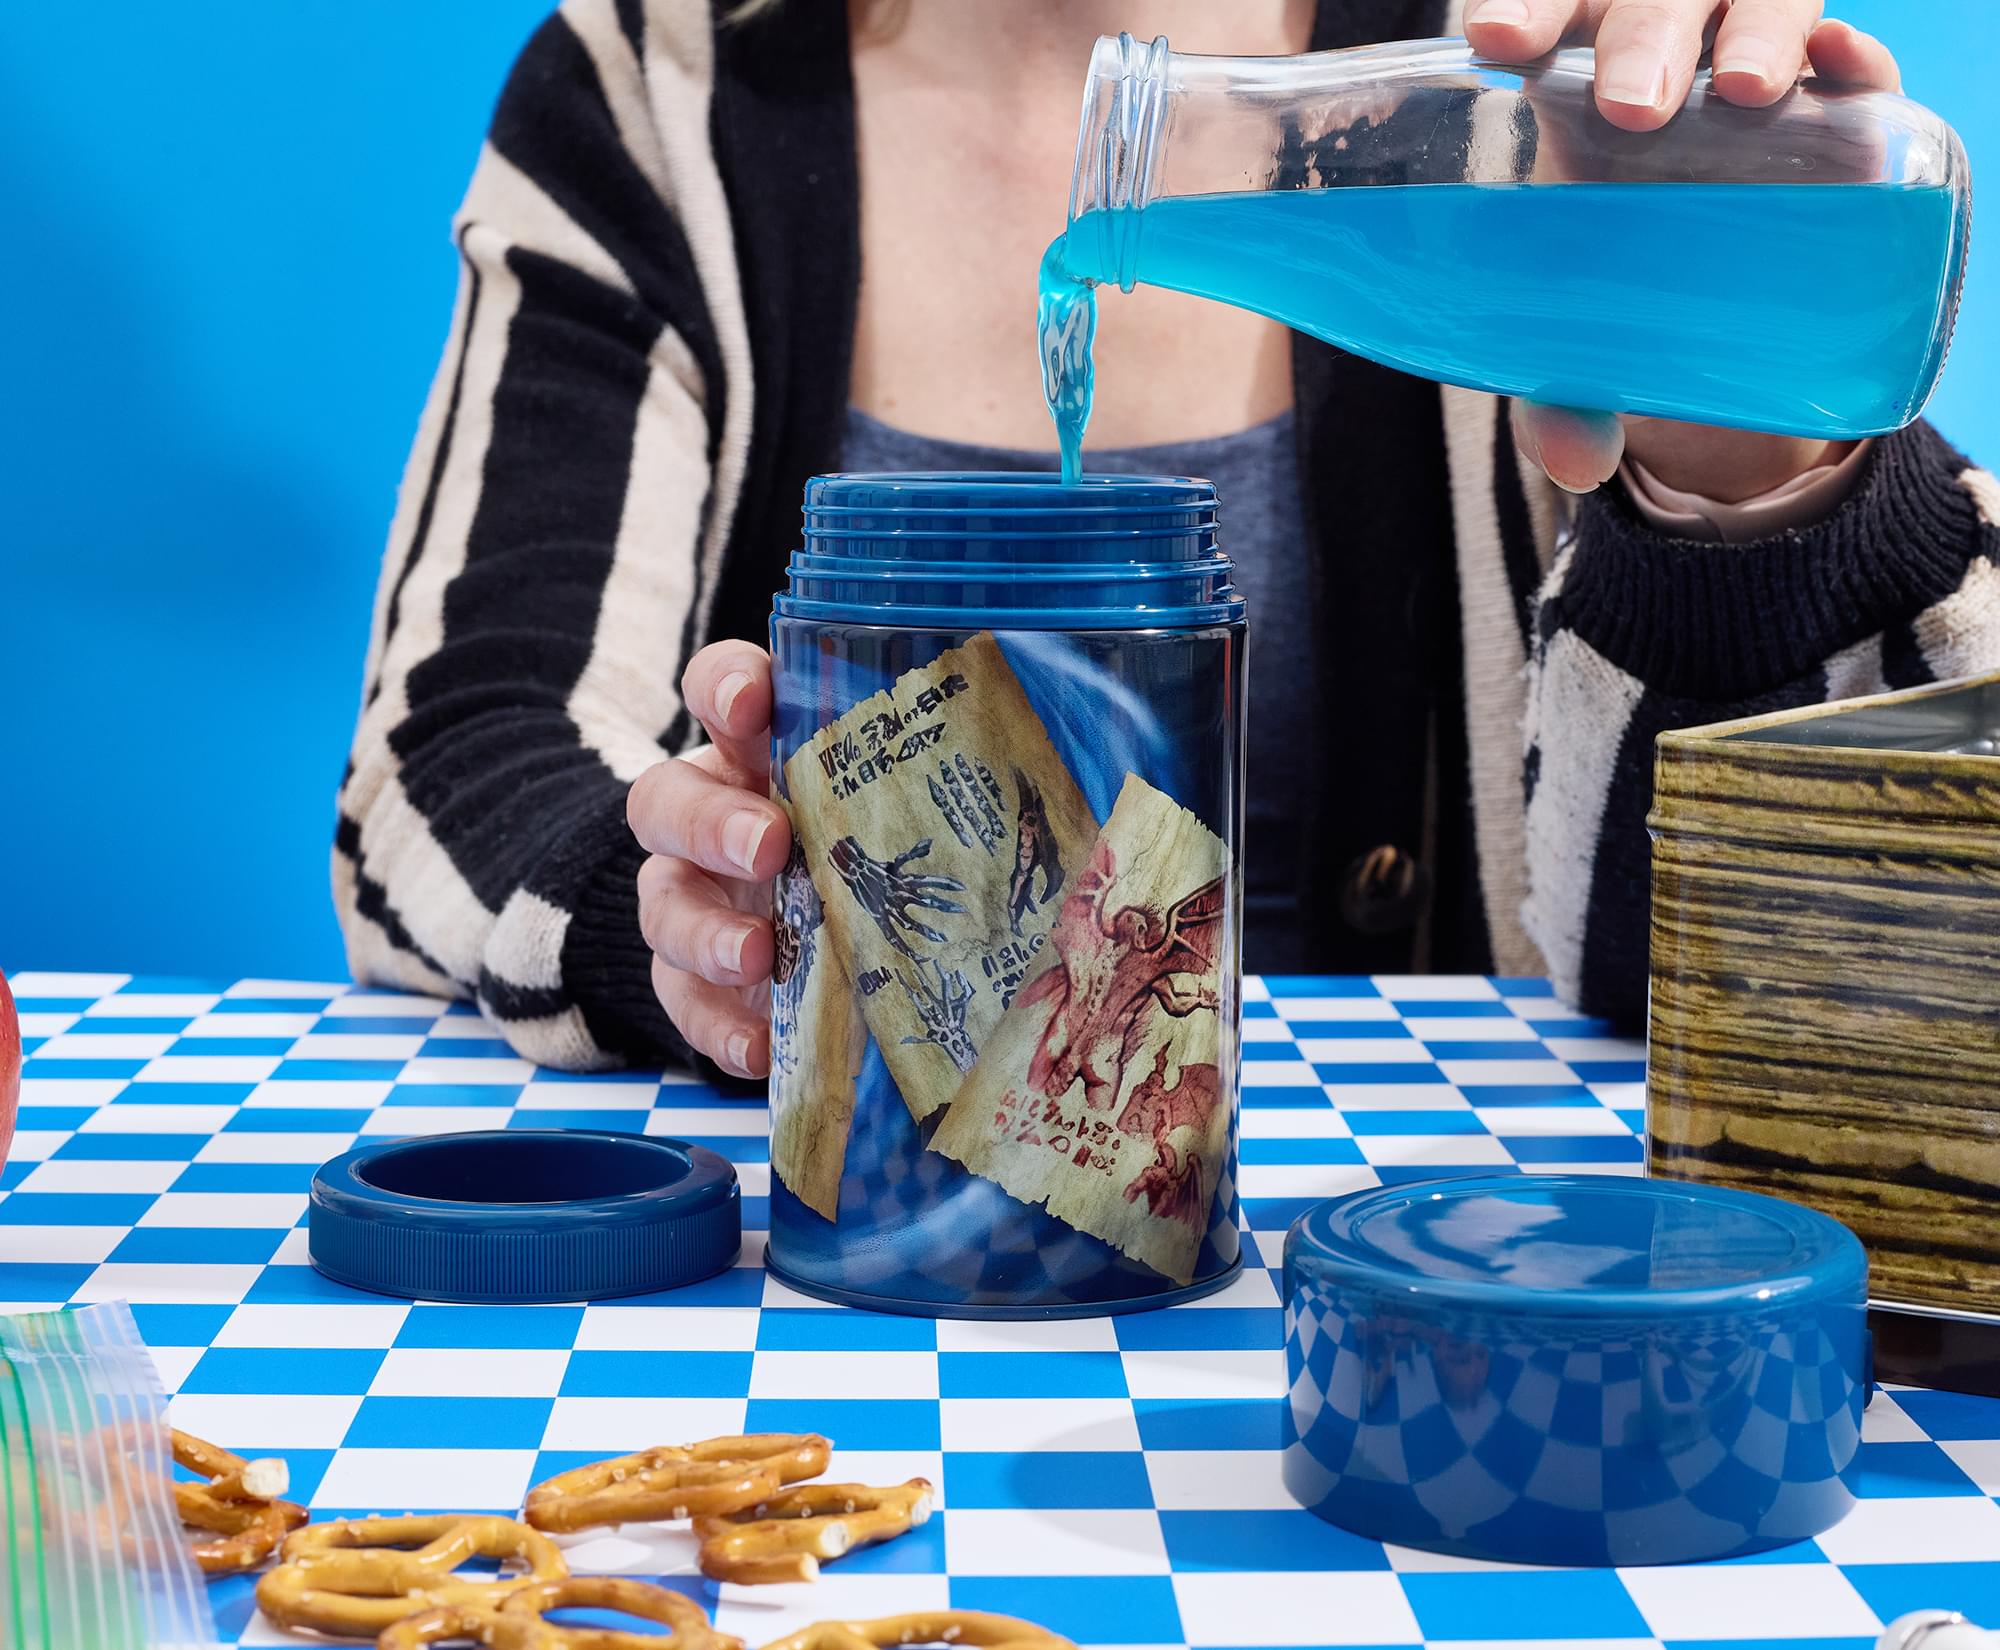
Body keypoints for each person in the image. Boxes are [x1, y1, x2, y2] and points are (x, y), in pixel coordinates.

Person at [334, 0, 2000, 1079]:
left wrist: (1752, 500)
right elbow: (453, 751)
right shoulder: (659, 92)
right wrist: (676, 912)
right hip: (839, 1264)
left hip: (1421, 1271)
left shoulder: (1522, 83)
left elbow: (1807, 975)